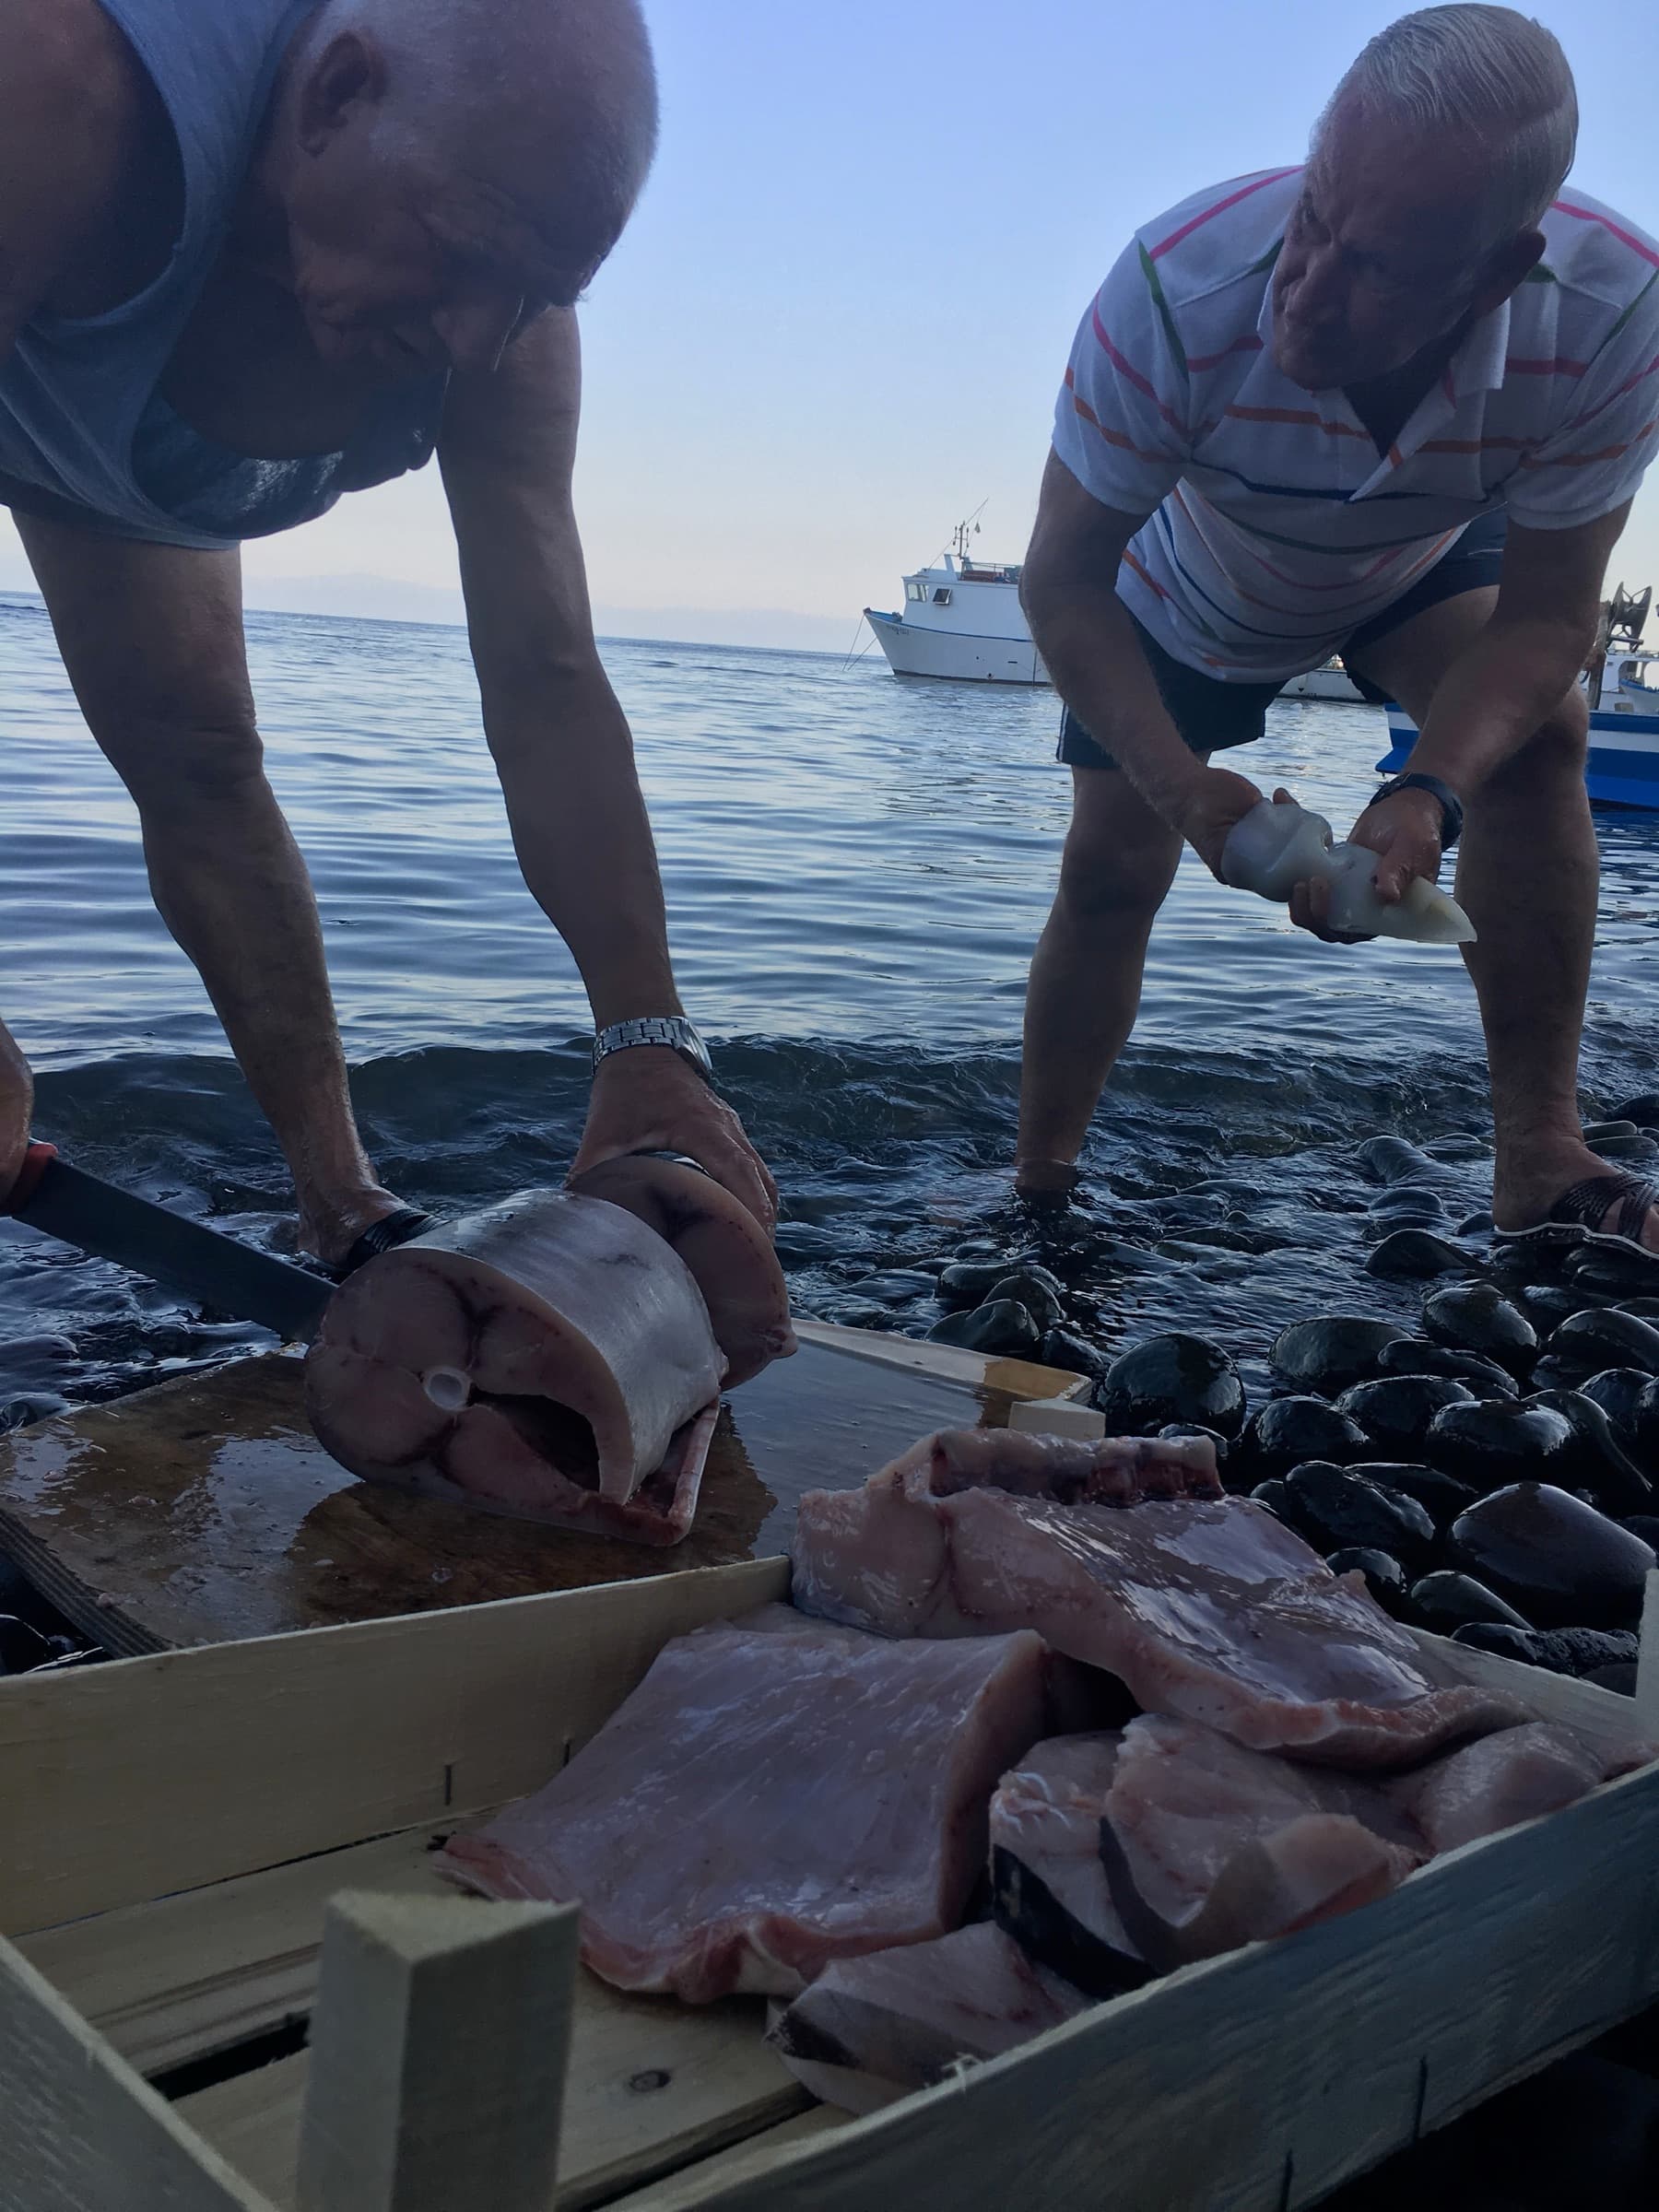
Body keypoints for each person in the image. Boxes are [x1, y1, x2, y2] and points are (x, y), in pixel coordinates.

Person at [0, 0, 776, 1270]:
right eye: (462, 256)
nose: (476, 337)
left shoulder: (501, 330)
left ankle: (339, 1207)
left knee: (201, 757)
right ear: (338, 93)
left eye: (533, 295)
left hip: (97, 447)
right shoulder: (51, 92)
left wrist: (648, 1043)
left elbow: (547, 681)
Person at [1017, 6, 1659, 1264]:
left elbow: (1545, 617)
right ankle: (1039, 1184)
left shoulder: (1615, 314)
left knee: (1546, 742)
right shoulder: (1177, 282)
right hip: (1181, 582)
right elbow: (1062, 580)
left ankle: (1538, 1150)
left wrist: (1430, 788)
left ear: (1498, 271)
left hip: (1411, 564)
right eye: (1312, 216)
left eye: (1371, 266)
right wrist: (1178, 780)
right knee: (1109, 874)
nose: (1303, 289)